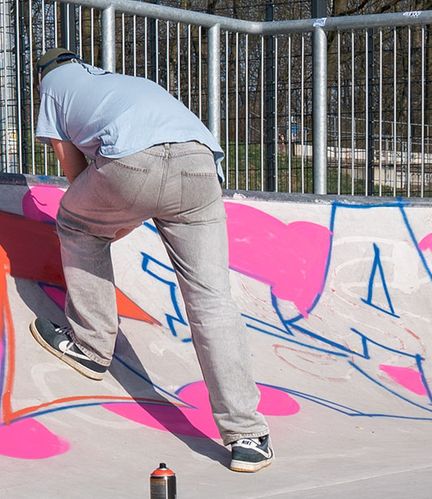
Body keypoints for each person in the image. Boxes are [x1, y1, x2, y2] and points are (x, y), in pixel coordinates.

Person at [28, 50, 273, 473]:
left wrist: (101, 219)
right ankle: (246, 435)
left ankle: (90, 345)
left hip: (131, 165)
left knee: (74, 221)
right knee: (211, 299)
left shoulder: (52, 86)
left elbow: (71, 162)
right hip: (201, 165)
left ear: (43, 78)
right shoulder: (125, 82)